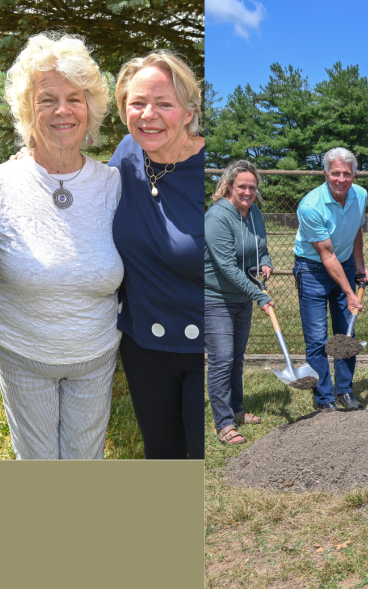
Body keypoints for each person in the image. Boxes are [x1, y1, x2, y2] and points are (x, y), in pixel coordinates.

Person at [0, 33, 121, 459]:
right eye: (47, 100)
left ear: (90, 108)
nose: (63, 110)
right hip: (22, 353)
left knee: (85, 464)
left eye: (75, 98)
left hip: (96, 355)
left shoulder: (114, 186)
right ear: (28, 110)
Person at [109, 50, 205, 459]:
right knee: (163, 457)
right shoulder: (126, 154)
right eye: (137, 103)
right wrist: (33, 160)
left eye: (164, 104)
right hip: (143, 343)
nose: (149, 114)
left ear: (188, 112)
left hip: (203, 347)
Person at [293, 147, 368, 411]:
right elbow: (326, 255)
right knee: (317, 338)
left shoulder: (360, 195)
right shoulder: (310, 206)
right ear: (325, 173)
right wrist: (350, 293)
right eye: (335, 173)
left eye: (347, 174)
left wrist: (359, 266)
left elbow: (357, 229)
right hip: (313, 269)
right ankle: (324, 398)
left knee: (346, 333)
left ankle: (345, 391)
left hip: (346, 263)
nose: (341, 179)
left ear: (354, 174)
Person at [205, 160, 273, 445]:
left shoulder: (254, 212)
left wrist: (266, 262)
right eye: (242, 186)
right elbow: (227, 268)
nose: (248, 192)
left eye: (252, 187)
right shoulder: (217, 216)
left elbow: (262, 246)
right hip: (215, 298)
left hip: (242, 297)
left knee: (235, 359)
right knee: (221, 360)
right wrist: (260, 295)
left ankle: (237, 409)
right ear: (229, 186)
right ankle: (223, 424)